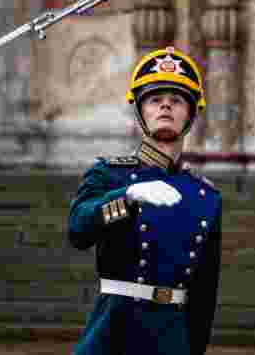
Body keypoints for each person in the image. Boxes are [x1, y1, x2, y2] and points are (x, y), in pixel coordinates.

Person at [68, 46, 221, 355]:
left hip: (172, 337)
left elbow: (204, 295)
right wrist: (126, 199)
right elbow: (78, 228)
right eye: (154, 99)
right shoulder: (110, 175)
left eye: (177, 100)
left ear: (190, 115)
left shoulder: (205, 196)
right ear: (140, 112)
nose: (166, 105)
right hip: (115, 331)